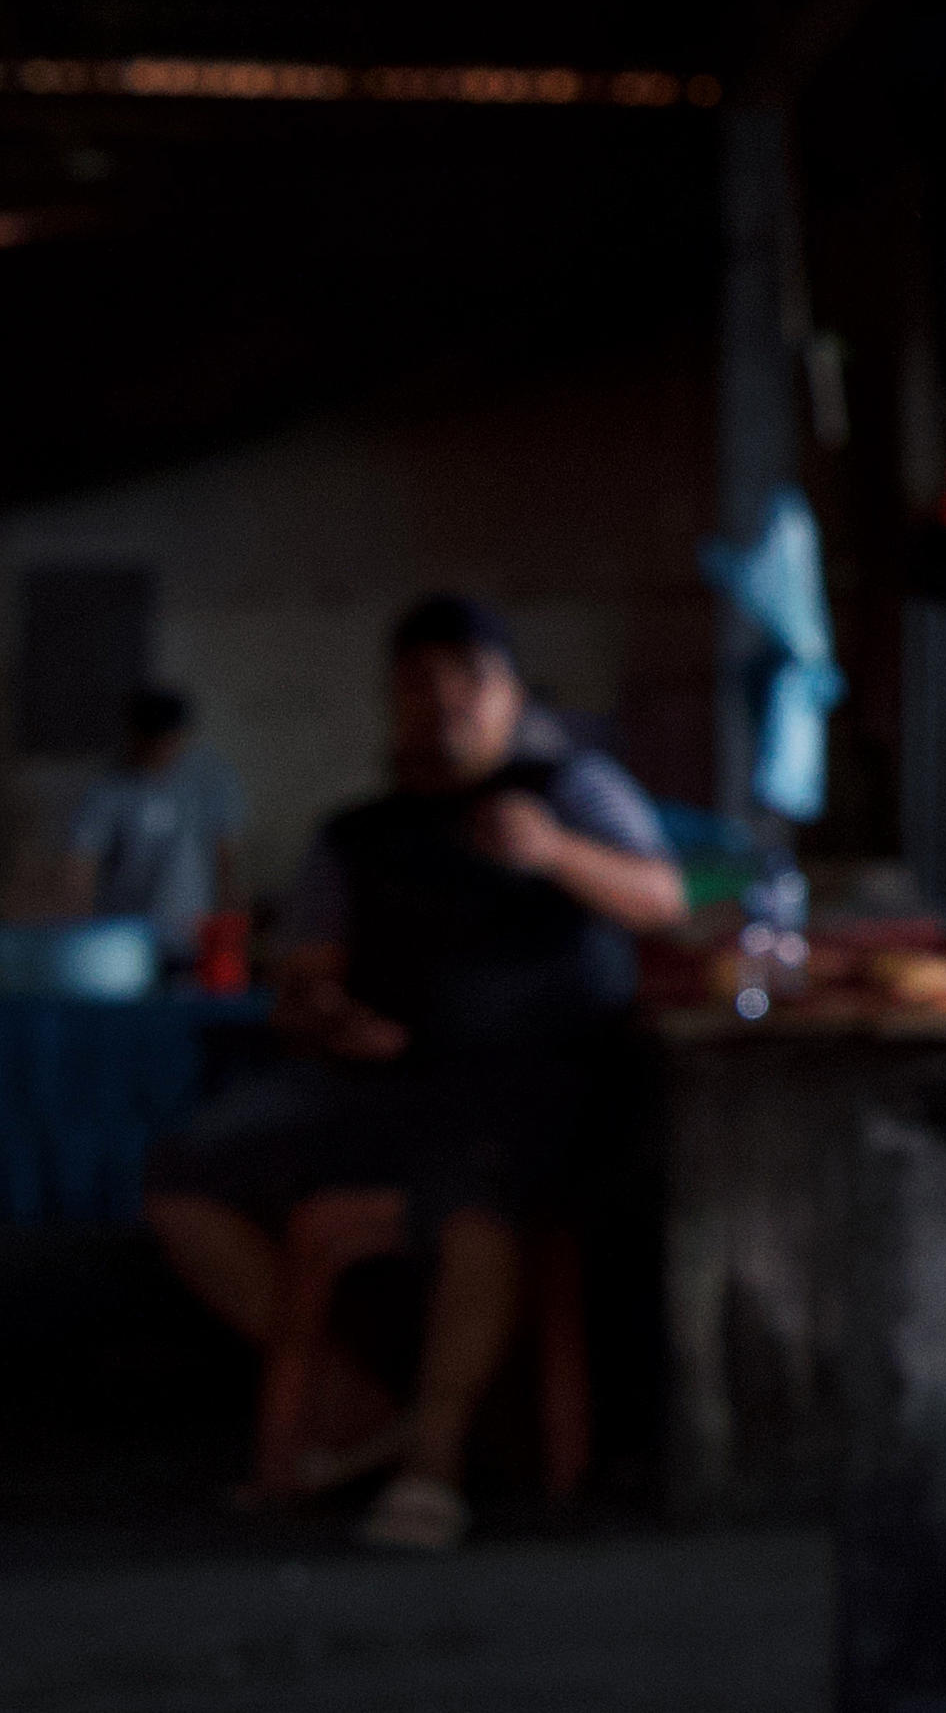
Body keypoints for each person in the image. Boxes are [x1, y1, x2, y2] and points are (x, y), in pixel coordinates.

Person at [141, 594, 682, 1553]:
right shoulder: (358, 834)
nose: (444, 703)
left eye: (467, 679)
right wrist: (324, 1019)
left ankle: (433, 1463)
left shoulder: (572, 791)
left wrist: (554, 851)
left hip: (546, 1086)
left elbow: (665, 902)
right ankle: (361, 1410)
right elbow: (305, 981)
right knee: (185, 1174)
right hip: (389, 1085)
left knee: (482, 1182)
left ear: (511, 694)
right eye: (419, 682)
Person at [53, 685, 243, 973]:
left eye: (168, 739)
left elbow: (225, 855)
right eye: (151, 738)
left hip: (192, 934)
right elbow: (81, 864)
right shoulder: (108, 789)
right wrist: (78, 929)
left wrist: (230, 927)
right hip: (123, 941)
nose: (160, 749)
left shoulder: (206, 781)